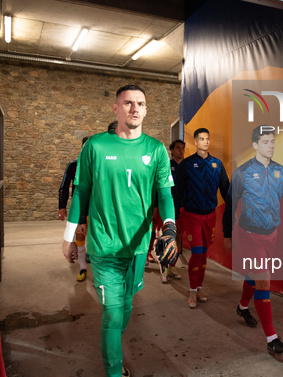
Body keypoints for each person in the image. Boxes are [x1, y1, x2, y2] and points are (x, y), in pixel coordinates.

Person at [61, 85, 176, 377]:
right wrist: (69, 237)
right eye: (128, 103)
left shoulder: (156, 149)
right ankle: (113, 371)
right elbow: (82, 192)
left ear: (146, 109)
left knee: (125, 307)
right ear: (116, 108)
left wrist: (170, 228)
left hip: (137, 248)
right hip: (104, 246)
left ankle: (114, 340)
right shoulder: (95, 146)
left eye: (140, 103)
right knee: (112, 315)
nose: (134, 108)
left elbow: (164, 194)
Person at [223, 126, 283, 356]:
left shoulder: (280, 172)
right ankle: (272, 338)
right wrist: (227, 233)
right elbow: (231, 204)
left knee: (255, 277)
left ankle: (242, 306)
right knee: (264, 281)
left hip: (271, 236)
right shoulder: (242, 172)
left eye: (273, 141)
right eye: (265, 142)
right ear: (255, 145)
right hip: (250, 235)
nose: (271, 145)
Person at [177, 128, 230, 308]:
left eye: (208, 138)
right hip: (192, 216)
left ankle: (199, 288)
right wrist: (177, 214)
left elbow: (225, 190)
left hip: (210, 216)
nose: (206, 141)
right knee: (197, 253)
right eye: (202, 139)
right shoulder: (186, 165)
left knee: (204, 254)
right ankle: (192, 291)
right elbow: (178, 191)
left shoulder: (217, 164)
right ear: (195, 142)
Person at [58, 136, 90, 281]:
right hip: (80, 211)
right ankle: (83, 268)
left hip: (97, 211)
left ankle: (99, 272)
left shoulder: (101, 165)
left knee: (97, 242)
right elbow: (64, 187)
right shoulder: (73, 165)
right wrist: (62, 207)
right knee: (80, 239)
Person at [165, 139, 186, 281]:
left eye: (183, 148)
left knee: (178, 238)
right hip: (168, 207)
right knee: (167, 237)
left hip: (183, 208)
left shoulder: (187, 166)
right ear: (172, 150)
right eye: (178, 148)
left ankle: (172, 265)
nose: (181, 150)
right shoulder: (167, 165)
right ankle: (164, 267)